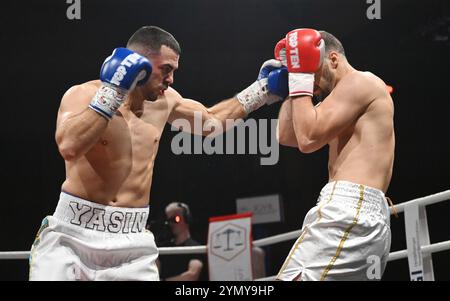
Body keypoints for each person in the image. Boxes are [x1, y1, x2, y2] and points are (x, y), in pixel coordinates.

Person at [28, 25, 287, 281]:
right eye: (166, 69)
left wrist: (261, 91)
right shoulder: (83, 94)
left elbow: (211, 122)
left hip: (132, 241)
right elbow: (69, 146)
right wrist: (113, 91)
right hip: (72, 235)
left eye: (173, 71)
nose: (171, 79)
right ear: (139, 63)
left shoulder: (167, 101)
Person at [275, 29, 394, 281]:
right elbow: (287, 136)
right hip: (356, 215)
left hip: (348, 211)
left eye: (312, 71)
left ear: (333, 60)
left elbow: (307, 139)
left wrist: (300, 77)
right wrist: (291, 80)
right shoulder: (339, 102)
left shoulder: (361, 82)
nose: (311, 82)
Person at [157, 202, 205, 281]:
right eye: (169, 220)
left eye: (175, 219)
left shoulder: (195, 248)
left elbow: (192, 275)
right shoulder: (163, 248)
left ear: (187, 219)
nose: (171, 223)